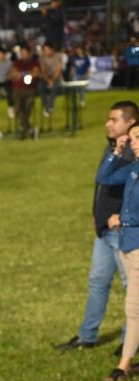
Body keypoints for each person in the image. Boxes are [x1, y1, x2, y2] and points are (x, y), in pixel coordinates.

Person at [55, 101, 138, 353]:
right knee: (97, 282)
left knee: (131, 288)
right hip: (104, 229)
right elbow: (102, 179)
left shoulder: (134, 152)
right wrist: (98, 213)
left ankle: (129, 342)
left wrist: (121, 218)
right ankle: (87, 336)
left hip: (122, 231)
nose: (107, 123)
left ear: (131, 122)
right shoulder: (115, 146)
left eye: (114, 119)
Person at [96, 123, 139, 381]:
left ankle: (123, 367)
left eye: (138, 137)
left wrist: (126, 219)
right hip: (127, 244)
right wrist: (117, 151)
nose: (134, 143)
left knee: (133, 308)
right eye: (132, 139)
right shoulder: (134, 167)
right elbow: (104, 177)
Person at [11, 46, 41, 140]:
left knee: (27, 110)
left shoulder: (34, 63)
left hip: (29, 89)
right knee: (18, 109)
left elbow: (35, 73)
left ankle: (24, 130)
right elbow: (14, 74)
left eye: (24, 53)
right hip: (18, 89)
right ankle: (30, 129)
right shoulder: (17, 63)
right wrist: (26, 74)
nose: (23, 55)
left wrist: (22, 75)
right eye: (22, 53)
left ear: (29, 53)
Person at [38, 44, 64, 124]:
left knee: (55, 87)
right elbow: (43, 71)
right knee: (40, 86)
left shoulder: (58, 56)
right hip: (46, 77)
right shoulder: (42, 58)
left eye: (47, 50)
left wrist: (52, 80)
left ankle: (49, 107)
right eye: (45, 50)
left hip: (56, 77)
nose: (46, 52)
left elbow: (58, 70)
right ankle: (47, 106)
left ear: (52, 49)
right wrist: (48, 81)